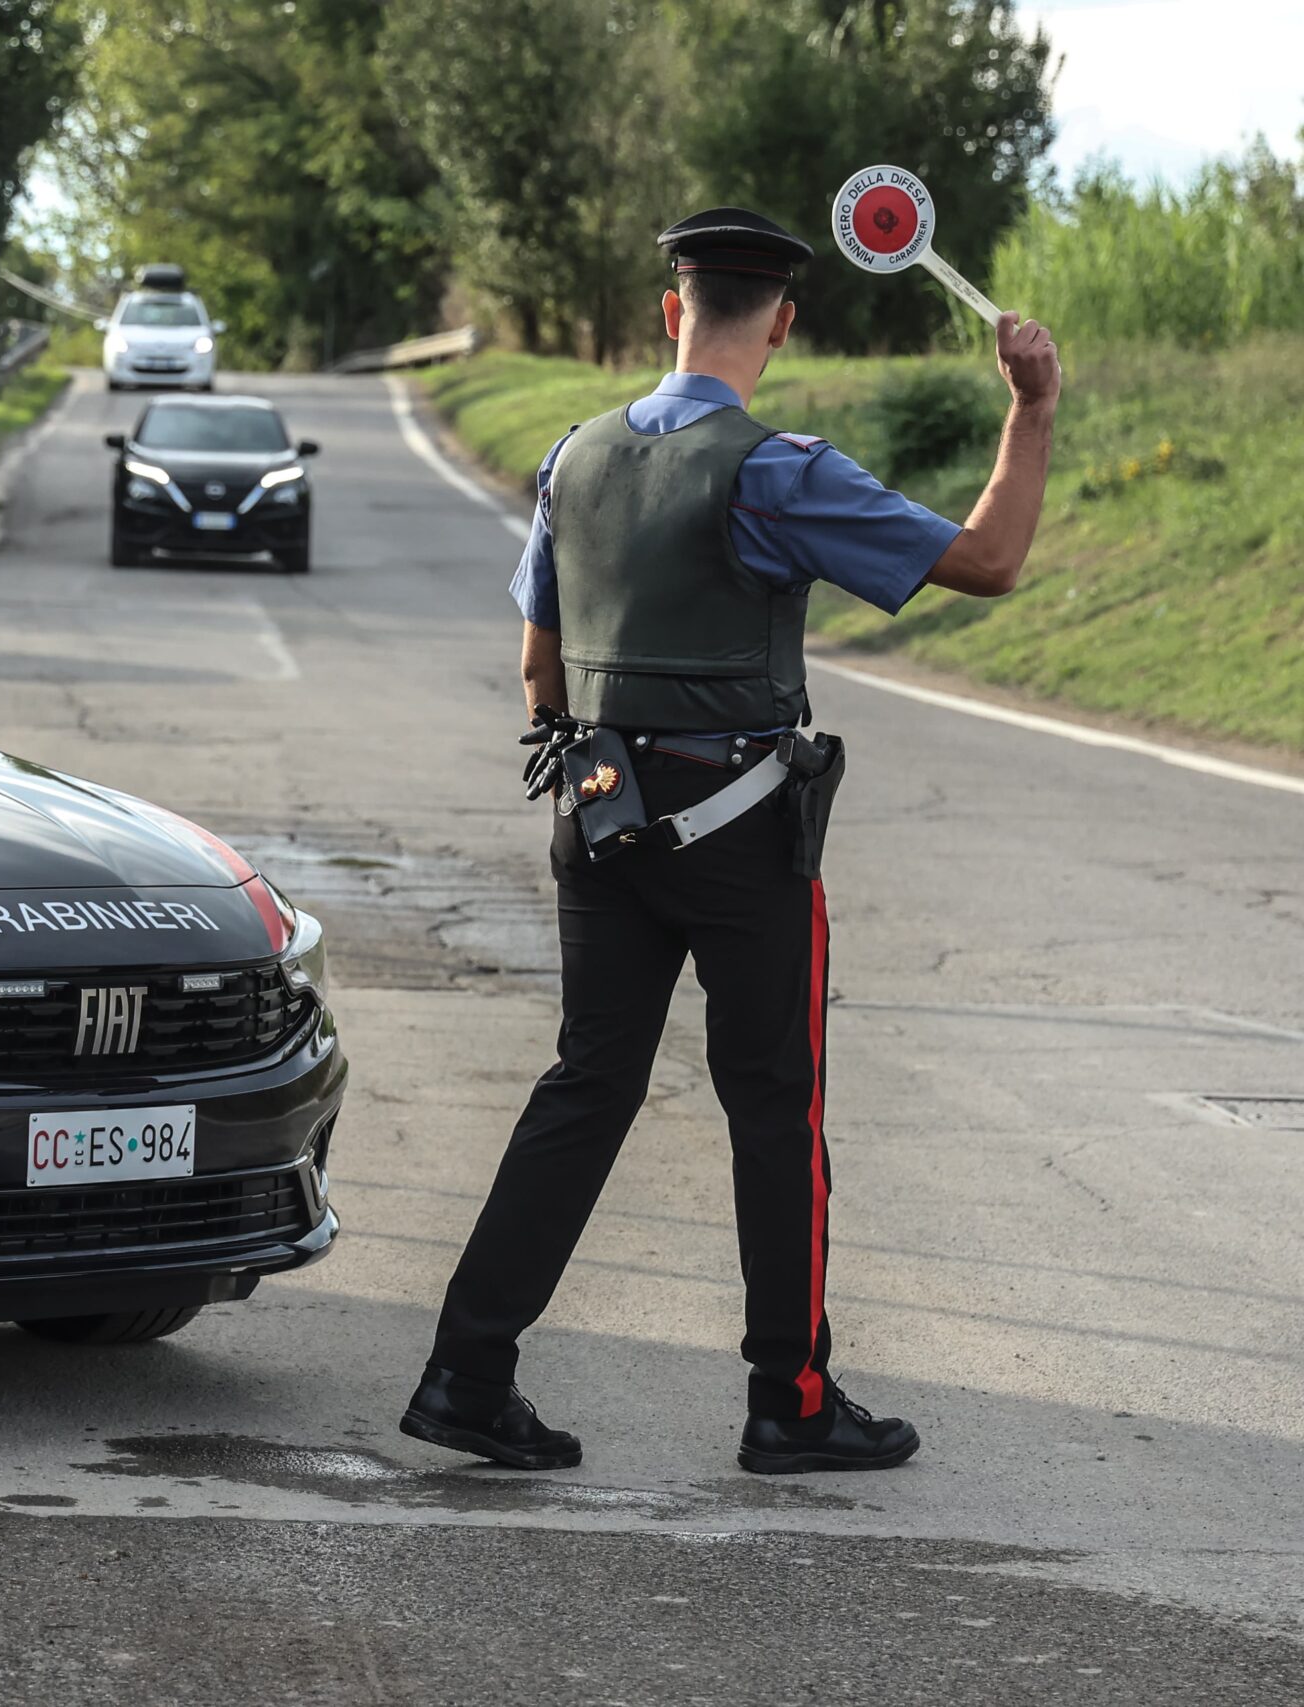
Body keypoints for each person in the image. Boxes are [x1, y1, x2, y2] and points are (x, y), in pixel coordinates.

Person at [401, 208, 1062, 1475]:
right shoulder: (778, 469)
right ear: (783, 322)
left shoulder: (570, 458)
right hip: (742, 840)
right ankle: (790, 1401)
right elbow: (986, 562)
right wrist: (1028, 411)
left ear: (672, 311)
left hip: (595, 821)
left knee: (584, 1088)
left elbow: (538, 660)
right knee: (773, 1105)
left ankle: (464, 1376)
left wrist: (593, 776)